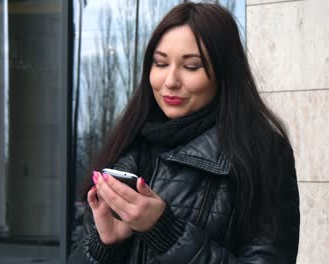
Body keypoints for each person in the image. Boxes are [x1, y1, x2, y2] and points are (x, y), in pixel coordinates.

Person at [68, 2, 299, 263]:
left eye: (191, 67)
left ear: (223, 73)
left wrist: (166, 232)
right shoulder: (127, 145)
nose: (170, 81)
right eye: (160, 63)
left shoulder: (262, 152)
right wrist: (106, 246)